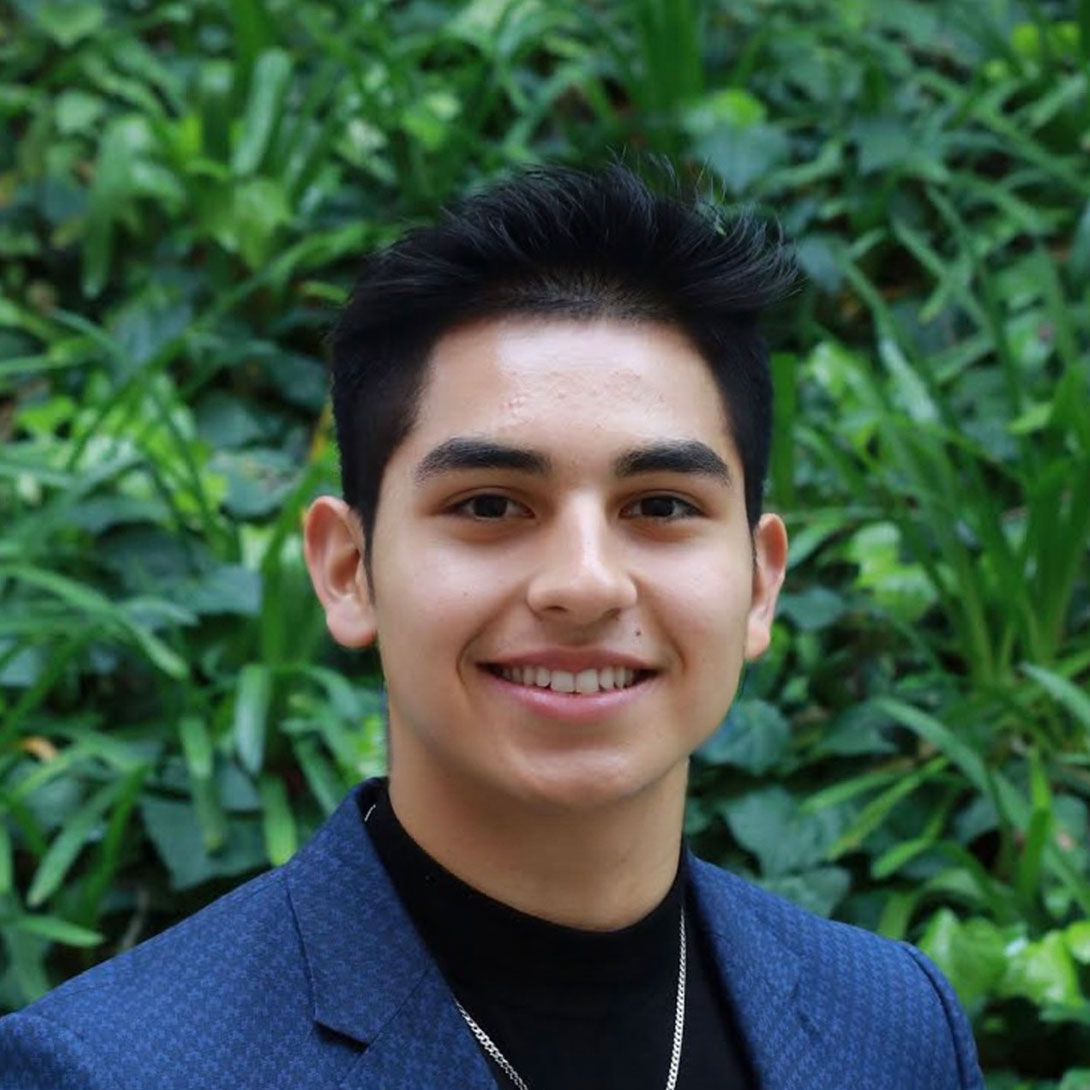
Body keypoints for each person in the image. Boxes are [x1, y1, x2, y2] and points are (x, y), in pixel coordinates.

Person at [0, 164, 984, 1090]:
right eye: (488, 504)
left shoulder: (895, 1024)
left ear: (760, 583)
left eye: (662, 505)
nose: (586, 585)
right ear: (350, 571)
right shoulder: (111, 1066)